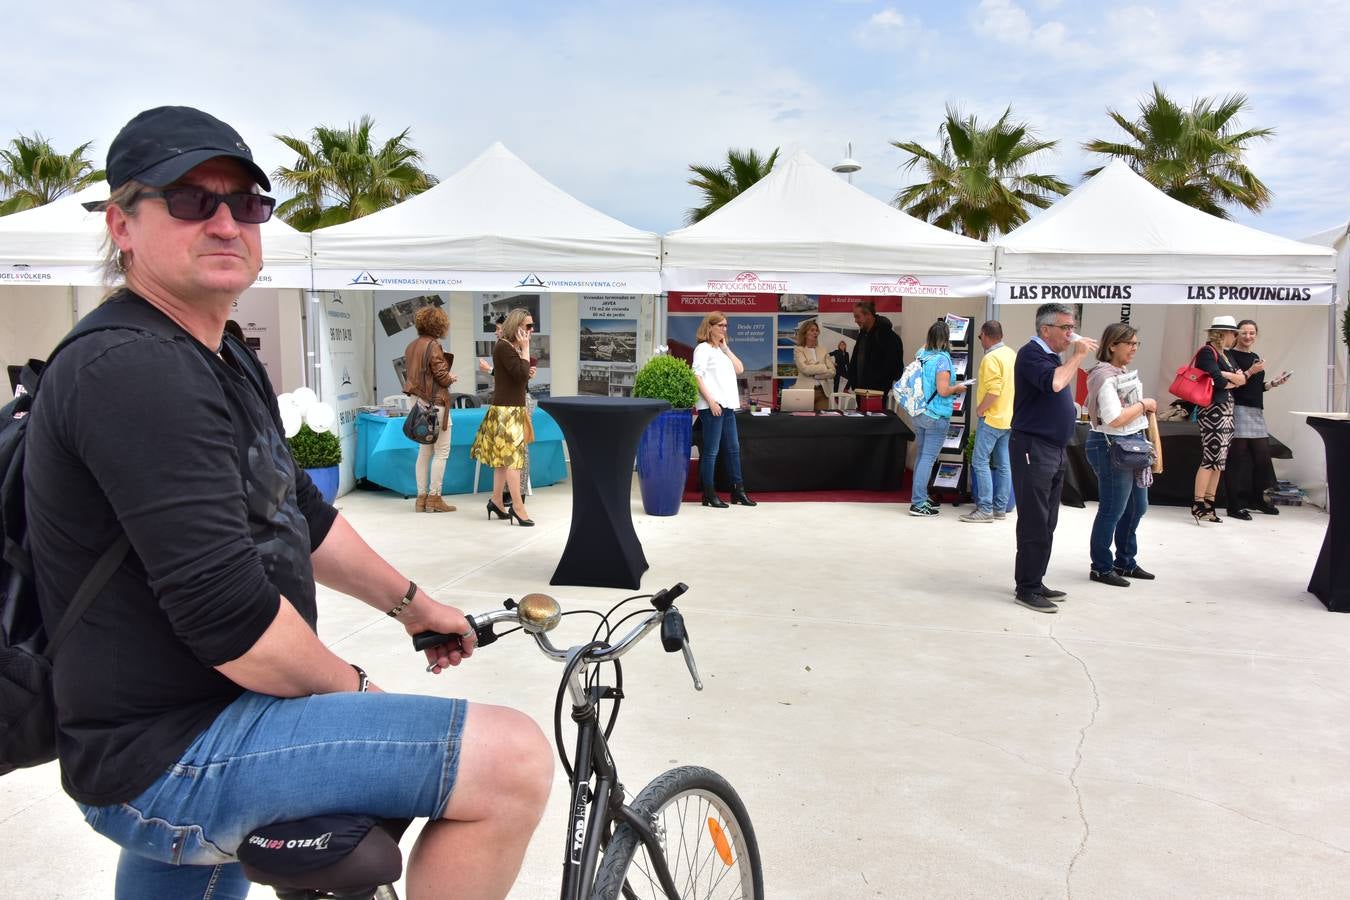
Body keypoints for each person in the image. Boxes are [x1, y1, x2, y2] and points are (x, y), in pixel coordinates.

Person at [23, 106, 551, 900]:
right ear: (121, 224)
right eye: (192, 199)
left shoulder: (217, 351)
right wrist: (359, 691)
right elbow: (231, 620)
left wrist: (411, 604)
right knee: (510, 760)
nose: (227, 221)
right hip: (176, 749)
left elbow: (297, 512)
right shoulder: (133, 368)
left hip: (193, 721)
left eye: (247, 202)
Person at [1009, 303, 1097, 613]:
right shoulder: (1031, 354)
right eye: (1066, 328)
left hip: (1052, 448)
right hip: (1034, 446)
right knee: (1035, 518)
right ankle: (1027, 587)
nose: (1071, 334)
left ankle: (1035, 578)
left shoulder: (1050, 357)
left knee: (1048, 519)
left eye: (1072, 327)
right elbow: (1055, 383)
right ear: (1045, 330)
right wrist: (1077, 356)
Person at [1084, 323, 1157, 587]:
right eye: (1130, 343)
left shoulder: (1118, 373)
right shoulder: (1104, 376)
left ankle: (1124, 561)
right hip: (1111, 445)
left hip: (1129, 444)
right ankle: (1101, 567)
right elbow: (1114, 419)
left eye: (1137, 343)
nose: (1134, 348)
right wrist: (1143, 404)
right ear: (1113, 345)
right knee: (1112, 509)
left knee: (1138, 506)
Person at [471, 308, 537, 526]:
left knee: (503, 462)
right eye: (528, 326)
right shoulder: (504, 347)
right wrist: (526, 350)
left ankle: (497, 500)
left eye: (531, 326)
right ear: (517, 326)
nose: (531, 330)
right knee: (513, 462)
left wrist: (524, 359)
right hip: (507, 412)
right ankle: (518, 507)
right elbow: (519, 375)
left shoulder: (507, 347)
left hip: (508, 409)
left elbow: (517, 378)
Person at [1225, 318, 1290, 518]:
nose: (1248, 336)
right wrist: (1252, 371)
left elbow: (1256, 387)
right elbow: (1234, 382)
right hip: (1238, 408)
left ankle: (1257, 499)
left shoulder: (1255, 356)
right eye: (1244, 333)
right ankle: (1234, 505)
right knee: (1236, 459)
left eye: (1252, 333)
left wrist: (1274, 383)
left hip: (1256, 411)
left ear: (1256, 335)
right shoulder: (1229, 356)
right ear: (1237, 334)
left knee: (1262, 459)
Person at [692, 312, 756, 508]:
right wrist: (710, 401)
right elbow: (696, 376)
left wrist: (726, 348)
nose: (724, 329)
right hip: (713, 407)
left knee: (733, 449)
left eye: (726, 326)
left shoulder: (721, 351)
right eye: (720, 325)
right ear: (710, 327)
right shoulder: (702, 349)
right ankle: (709, 494)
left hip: (727, 406)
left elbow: (740, 369)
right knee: (711, 451)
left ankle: (738, 491)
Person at [1191, 315, 1248, 524]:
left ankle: (1208, 502)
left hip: (1226, 409)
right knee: (1210, 456)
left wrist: (1228, 376)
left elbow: (1241, 379)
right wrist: (1230, 377)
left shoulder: (1226, 355)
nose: (1235, 337)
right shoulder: (1208, 352)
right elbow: (1219, 381)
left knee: (1219, 460)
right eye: (1234, 333)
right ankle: (1198, 502)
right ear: (1224, 333)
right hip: (1213, 409)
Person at [908, 320, 967, 517]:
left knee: (922, 456)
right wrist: (957, 388)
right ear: (946, 338)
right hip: (936, 415)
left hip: (919, 412)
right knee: (928, 458)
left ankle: (920, 498)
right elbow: (943, 391)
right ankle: (918, 502)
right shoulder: (942, 359)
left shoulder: (921, 355)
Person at [403, 305, 458, 513]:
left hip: (418, 404)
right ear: (439, 325)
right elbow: (442, 376)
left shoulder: (411, 346)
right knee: (441, 452)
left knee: (424, 451)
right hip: (436, 404)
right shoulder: (433, 346)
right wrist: (451, 377)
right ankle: (435, 497)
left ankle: (421, 498)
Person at [960, 320, 1015, 524]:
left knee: (980, 461)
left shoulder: (990, 358)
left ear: (985, 334)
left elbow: (994, 390)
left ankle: (984, 509)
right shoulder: (1011, 354)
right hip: (1008, 417)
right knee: (1003, 464)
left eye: (980, 336)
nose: (980, 340)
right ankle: (1000, 508)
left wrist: (980, 409)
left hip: (992, 417)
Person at [846, 301, 903, 393]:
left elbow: (893, 363)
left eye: (857, 316)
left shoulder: (886, 335)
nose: (855, 320)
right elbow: (855, 360)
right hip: (860, 390)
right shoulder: (862, 335)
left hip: (877, 392)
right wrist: (854, 382)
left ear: (868, 315)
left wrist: (880, 384)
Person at [791, 319, 834, 410]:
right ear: (805, 333)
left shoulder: (823, 349)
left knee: (822, 422)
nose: (815, 333)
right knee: (804, 422)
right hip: (804, 392)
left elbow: (832, 371)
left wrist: (816, 374)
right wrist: (824, 367)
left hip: (823, 392)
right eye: (812, 330)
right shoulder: (799, 350)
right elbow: (805, 369)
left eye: (816, 330)